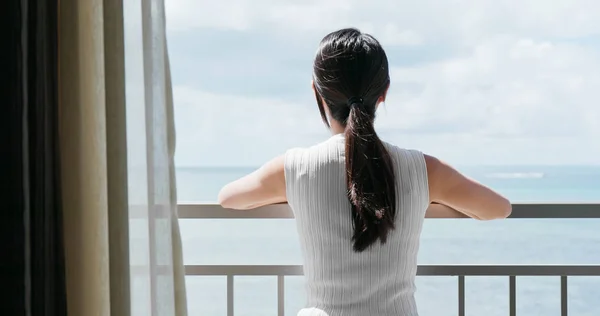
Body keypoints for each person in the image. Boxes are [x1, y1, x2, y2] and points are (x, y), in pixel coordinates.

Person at [217, 28, 511, 316]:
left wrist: (294, 194)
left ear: (317, 93)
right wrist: (423, 198)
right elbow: (498, 208)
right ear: (384, 92)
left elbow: (229, 198)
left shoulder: (296, 167)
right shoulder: (423, 169)